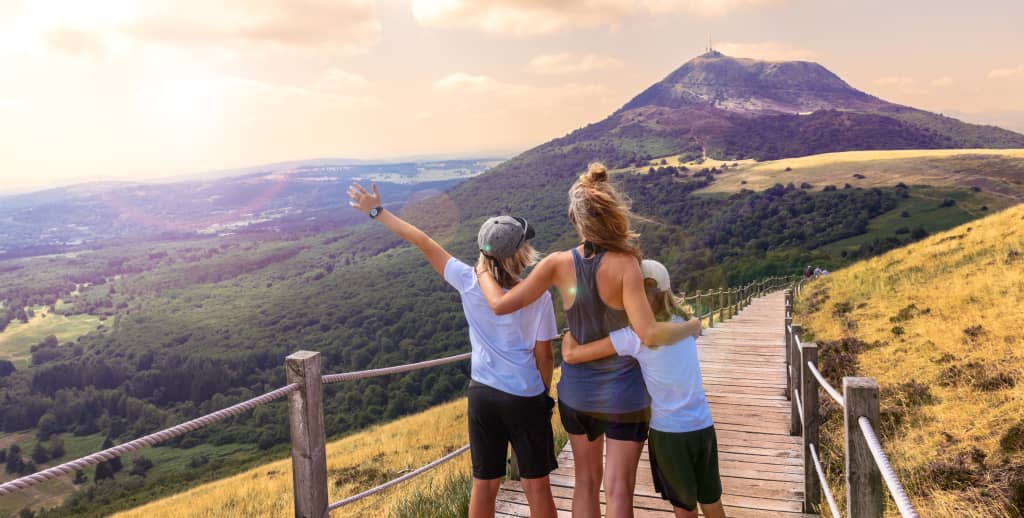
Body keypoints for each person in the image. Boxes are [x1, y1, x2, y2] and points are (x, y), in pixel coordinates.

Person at [475, 163, 694, 518]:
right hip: (626, 392)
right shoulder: (628, 265)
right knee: (619, 489)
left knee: (585, 483)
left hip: (578, 395)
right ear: (611, 216)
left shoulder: (557, 265)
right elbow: (647, 333)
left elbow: (500, 305)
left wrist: (485, 268)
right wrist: (689, 327)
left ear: (575, 220)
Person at [347, 183, 558, 518]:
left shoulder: (468, 280)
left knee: (484, 485)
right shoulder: (539, 296)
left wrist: (377, 211)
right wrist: (542, 394)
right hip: (524, 396)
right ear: (520, 253)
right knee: (537, 485)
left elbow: (422, 240)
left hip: (483, 395)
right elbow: (544, 355)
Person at [561, 259, 725, 518]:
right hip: (703, 426)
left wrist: (569, 334)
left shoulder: (634, 336)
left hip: (670, 433)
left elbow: (572, 355)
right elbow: (691, 328)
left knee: (685, 509)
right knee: (712, 503)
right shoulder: (684, 322)